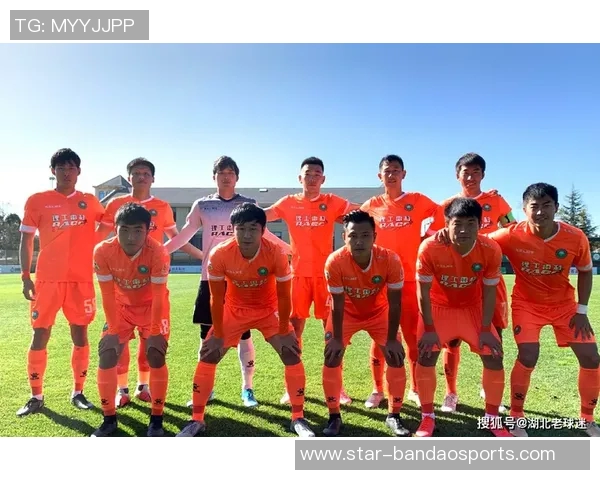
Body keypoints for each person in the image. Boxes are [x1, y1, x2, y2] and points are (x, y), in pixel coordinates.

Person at [177, 202, 315, 437]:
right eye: (241, 229)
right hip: (234, 310)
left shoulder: (276, 253)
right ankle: (197, 420)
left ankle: (298, 418)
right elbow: (215, 297)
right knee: (208, 353)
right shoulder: (220, 253)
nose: (247, 235)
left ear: (263, 230)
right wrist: (218, 333)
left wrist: (284, 329)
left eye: (253, 229)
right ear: (233, 230)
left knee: (291, 352)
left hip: (268, 310)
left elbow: (284, 296)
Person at [164, 155, 291, 408]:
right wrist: (160, 252)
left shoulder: (248, 204)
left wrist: (292, 251)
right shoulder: (202, 205)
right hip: (211, 277)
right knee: (207, 335)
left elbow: (265, 234)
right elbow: (185, 234)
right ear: (214, 177)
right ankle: (207, 389)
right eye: (221, 172)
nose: (226, 176)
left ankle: (247, 389)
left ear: (237, 177)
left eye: (230, 172)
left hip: (243, 278)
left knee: (244, 335)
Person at [484, 183, 599, 437]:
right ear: (524, 209)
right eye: (534, 206)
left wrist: (581, 310)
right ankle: (516, 416)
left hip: (565, 306)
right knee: (528, 355)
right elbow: (479, 241)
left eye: (546, 205)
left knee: (591, 358)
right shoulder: (511, 234)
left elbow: (585, 271)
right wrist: (445, 233)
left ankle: (587, 419)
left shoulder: (575, 236)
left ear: (556, 207)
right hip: (527, 305)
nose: (540, 212)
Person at [97, 157, 203, 408]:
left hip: (152, 280)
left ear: (153, 178)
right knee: (117, 345)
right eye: (136, 173)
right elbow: (100, 236)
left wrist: (202, 256)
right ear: (129, 178)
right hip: (122, 284)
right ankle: (121, 390)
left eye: (146, 173)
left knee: (151, 344)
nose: (141, 177)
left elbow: (176, 238)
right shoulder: (116, 204)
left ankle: (142, 387)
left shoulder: (162, 207)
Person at [264, 157, 359, 405]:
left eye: (317, 174)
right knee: (293, 331)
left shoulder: (332, 202)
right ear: (300, 178)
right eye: (308, 174)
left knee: (333, 332)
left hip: (327, 277)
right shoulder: (288, 203)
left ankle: (337, 387)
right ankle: (292, 387)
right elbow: (260, 218)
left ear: (323, 179)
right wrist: (283, 247)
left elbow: (363, 212)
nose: (312, 178)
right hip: (297, 277)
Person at [17, 148, 104, 416]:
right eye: (61, 168)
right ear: (53, 171)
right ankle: (36, 396)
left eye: (71, 168)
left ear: (79, 171)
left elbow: (111, 225)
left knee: (80, 334)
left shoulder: (90, 201)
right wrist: (25, 276)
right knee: (40, 334)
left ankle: (78, 392)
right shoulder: (37, 201)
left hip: (81, 280)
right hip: (47, 281)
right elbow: (26, 240)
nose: (67, 173)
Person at [414, 197, 510, 437]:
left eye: (471, 223)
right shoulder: (430, 247)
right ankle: (427, 417)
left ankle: (492, 418)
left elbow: (489, 292)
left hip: (472, 309)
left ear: (480, 225)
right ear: (447, 224)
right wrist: (429, 328)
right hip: (438, 308)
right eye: (457, 224)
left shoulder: (490, 249)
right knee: (425, 356)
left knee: (494, 356)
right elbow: (422, 292)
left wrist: (486, 329)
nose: (464, 230)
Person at [431, 152, 516, 413]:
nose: (470, 177)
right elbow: (433, 235)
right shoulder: (447, 205)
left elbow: (513, 228)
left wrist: (487, 240)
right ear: (457, 175)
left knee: (494, 335)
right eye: (465, 172)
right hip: (457, 280)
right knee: (451, 340)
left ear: (483, 175)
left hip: (489, 277)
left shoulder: (496, 201)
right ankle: (450, 393)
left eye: (476, 172)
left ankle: (488, 389)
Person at [359, 154, 443, 409]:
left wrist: (427, 237)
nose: (391, 174)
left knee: (412, 336)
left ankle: (415, 388)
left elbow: (442, 211)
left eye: (396, 170)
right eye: (387, 170)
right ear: (379, 176)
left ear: (403, 174)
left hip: (408, 281)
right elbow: (357, 227)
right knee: (380, 337)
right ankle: (377, 389)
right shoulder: (372, 205)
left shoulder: (416, 200)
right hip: (379, 283)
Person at [322, 210, 409, 437]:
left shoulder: (390, 259)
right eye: (353, 236)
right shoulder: (335, 261)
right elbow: (337, 304)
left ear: (374, 237)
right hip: (346, 314)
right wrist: (337, 338)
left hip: (378, 312)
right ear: (344, 237)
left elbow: (395, 303)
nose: (359, 241)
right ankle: (333, 416)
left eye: (365, 235)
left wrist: (392, 339)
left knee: (395, 357)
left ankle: (394, 415)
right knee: (332, 357)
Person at [91, 202, 172, 437]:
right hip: (120, 307)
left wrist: (155, 331)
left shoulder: (158, 252)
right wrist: (112, 331)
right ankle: (109, 419)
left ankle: (156, 420)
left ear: (148, 230)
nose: (131, 237)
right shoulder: (103, 251)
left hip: (152, 307)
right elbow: (107, 294)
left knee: (155, 354)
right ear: (115, 228)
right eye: (124, 230)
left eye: (138, 230)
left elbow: (158, 296)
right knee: (107, 353)